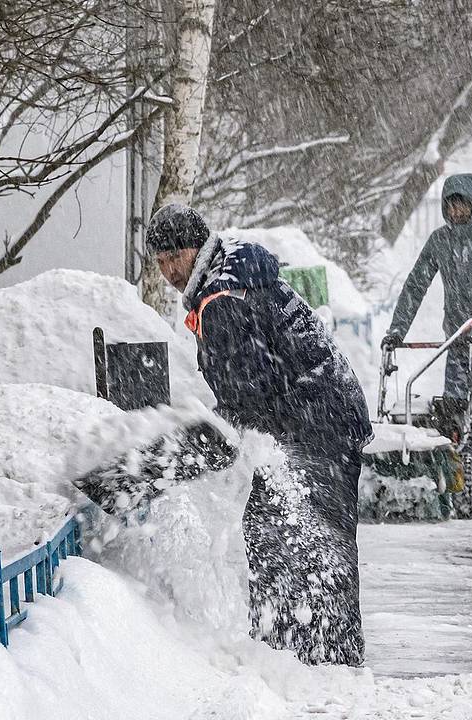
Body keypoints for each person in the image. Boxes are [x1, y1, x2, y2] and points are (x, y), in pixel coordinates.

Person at [147, 203, 372, 666]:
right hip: (318, 415)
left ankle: (313, 659)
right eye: (160, 260)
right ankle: (304, 652)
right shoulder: (227, 275)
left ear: (197, 248)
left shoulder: (222, 299)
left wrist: (170, 460)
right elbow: (249, 394)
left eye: (176, 255)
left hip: (315, 424)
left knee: (296, 540)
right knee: (286, 536)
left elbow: (245, 401)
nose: (170, 269)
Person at [382, 174, 472, 511]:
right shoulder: (440, 242)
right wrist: (397, 330)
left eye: (463, 203)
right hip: (460, 341)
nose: (457, 210)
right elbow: (416, 285)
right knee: (453, 411)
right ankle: (457, 476)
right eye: (451, 204)